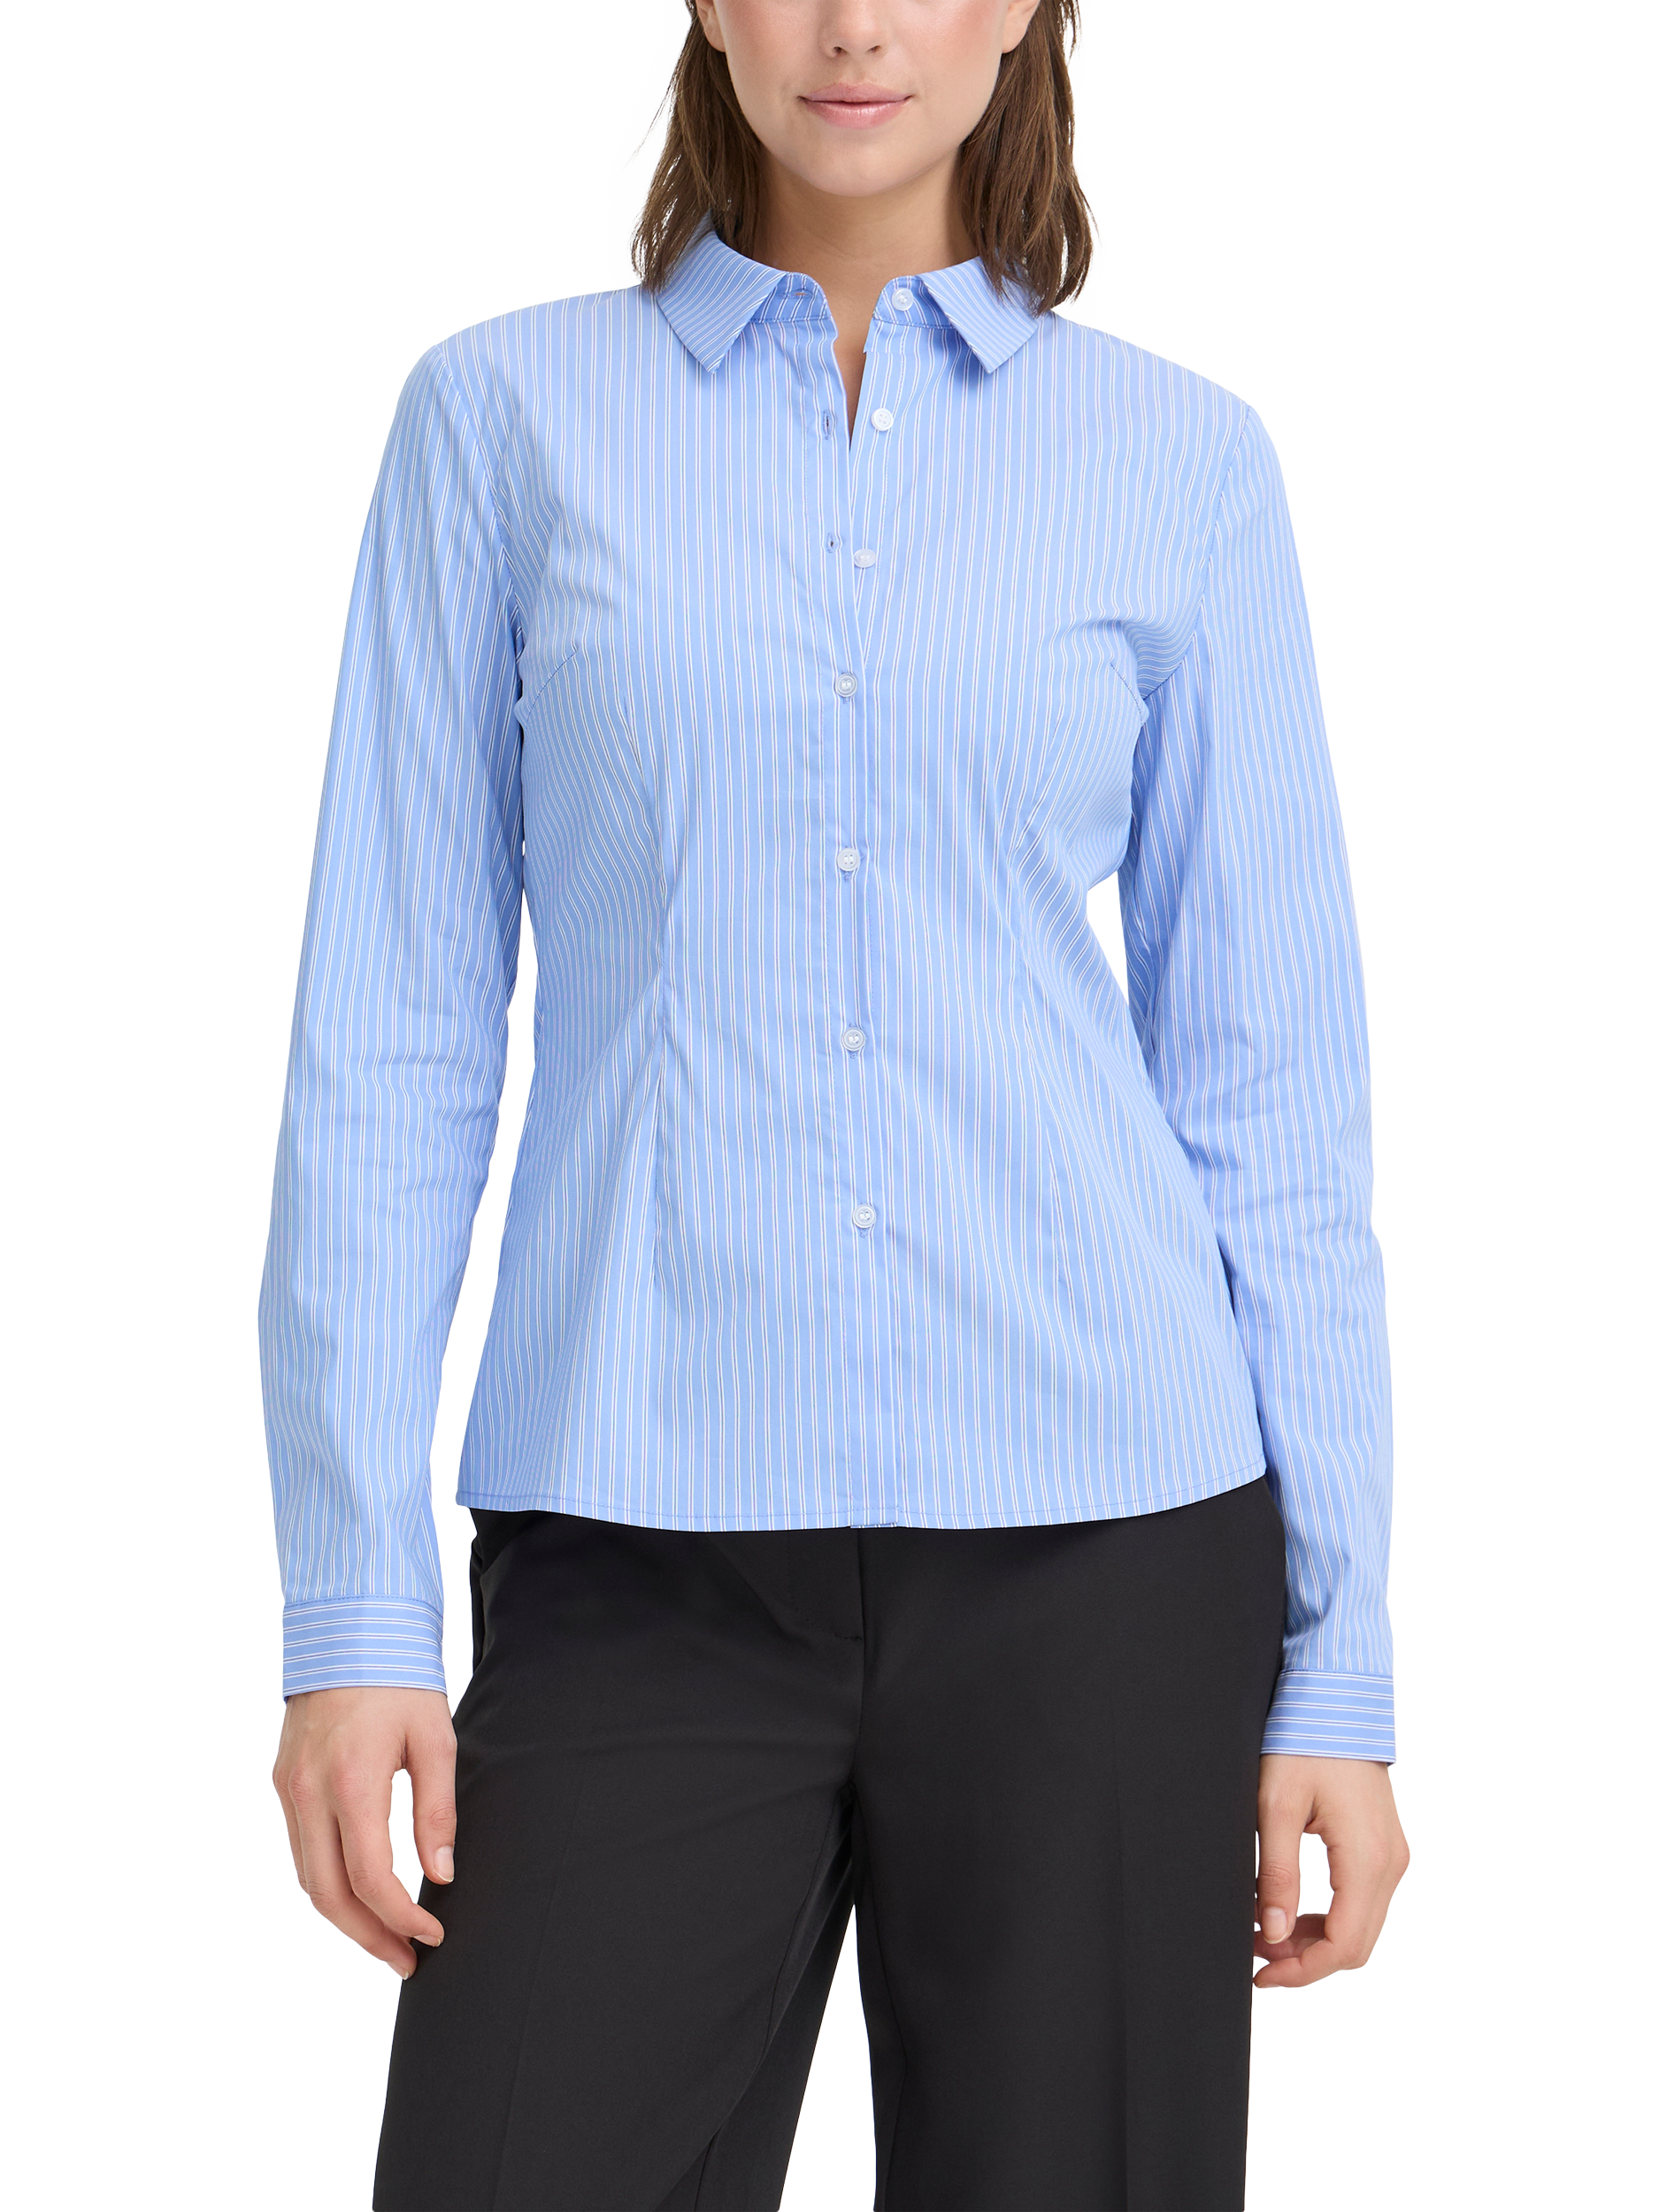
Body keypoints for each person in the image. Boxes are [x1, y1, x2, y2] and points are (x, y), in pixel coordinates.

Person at [261, 3, 1409, 2206]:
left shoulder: (1180, 460)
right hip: (638, 1545)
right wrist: (353, 1606)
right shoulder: (502, 423)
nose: (856, 26)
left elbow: (1268, 1091)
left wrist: (1333, 1662)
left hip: (1109, 1551)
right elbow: (389, 1031)